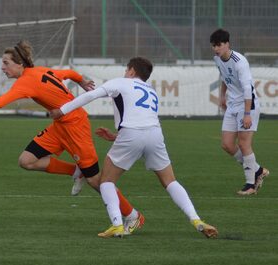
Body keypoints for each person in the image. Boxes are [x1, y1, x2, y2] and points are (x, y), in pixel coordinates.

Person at [0, 40, 143, 234]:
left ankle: (133, 215)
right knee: (26, 160)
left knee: (96, 181)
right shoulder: (40, 71)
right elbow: (67, 73)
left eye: (6, 63)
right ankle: (76, 172)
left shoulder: (25, 81)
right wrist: (81, 80)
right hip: (60, 126)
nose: (2, 68)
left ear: (19, 64)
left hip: (76, 126)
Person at [49, 57, 218, 239]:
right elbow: (142, 120)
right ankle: (196, 219)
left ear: (131, 71)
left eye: (126, 70)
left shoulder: (121, 82)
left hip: (131, 133)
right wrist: (116, 136)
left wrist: (62, 110)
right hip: (155, 134)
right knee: (170, 181)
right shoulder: (151, 91)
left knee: (106, 181)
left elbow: (91, 95)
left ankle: (117, 225)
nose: (124, 73)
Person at [210, 29, 269, 195]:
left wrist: (247, 113)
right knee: (227, 145)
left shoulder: (239, 61)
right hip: (232, 105)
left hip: (247, 105)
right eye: (214, 46)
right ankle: (257, 170)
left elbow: (247, 89)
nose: (216, 48)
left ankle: (251, 184)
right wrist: (222, 96)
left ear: (227, 44)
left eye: (219, 45)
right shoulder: (217, 59)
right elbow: (224, 77)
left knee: (244, 145)